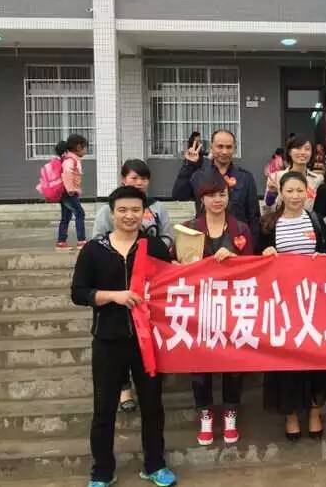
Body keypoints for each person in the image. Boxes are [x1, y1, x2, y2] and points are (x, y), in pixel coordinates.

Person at [71, 185, 177, 487]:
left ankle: (155, 465)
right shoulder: (94, 250)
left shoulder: (153, 247)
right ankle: (102, 471)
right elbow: (78, 293)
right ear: (112, 213)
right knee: (103, 409)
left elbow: (171, 283)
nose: (129, 216)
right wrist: (113, 296)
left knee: (153, 406)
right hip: (108, 340)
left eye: (135, 210)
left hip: (147, 341)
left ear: (144, 213)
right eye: (122, 210)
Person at [259, 171, 326, 441]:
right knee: (286, 361)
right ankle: (290, 414)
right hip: (282, 304)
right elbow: (257, 258)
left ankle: (315, 412)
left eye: (300, 191)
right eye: (290, 191)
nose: (295, 196)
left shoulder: (316, 220)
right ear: (281, 193)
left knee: (316, 359)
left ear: (308, 192)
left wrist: (323, 256)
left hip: (315, 302)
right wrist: (266, 254)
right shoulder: (269, 223)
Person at [92, 158, 173, 414]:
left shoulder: (158, 208)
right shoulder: (107, 211)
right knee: (121, 337)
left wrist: (151, 251)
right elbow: (98, 243)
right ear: (123, 179)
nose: (139, 182)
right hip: (116, 287)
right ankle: (124, 387)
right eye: (134, 177)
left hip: (151, 287)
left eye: (143, 178)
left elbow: (167, 237)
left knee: (144, 339)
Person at [181, 171, 253, 447]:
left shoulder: (241, 229)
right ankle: (205, 414)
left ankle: (231, 412)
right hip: (199, 307)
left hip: (233, 305)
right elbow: (176, 265)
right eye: (211, 195)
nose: (217, 199)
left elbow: (253, 267)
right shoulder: (188, 228)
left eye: (222, 194)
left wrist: (234, 260)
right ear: (202, 199)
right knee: (200, 363)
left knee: (232, 361)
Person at [172, 129, 260, 241]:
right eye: (220, 146)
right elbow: (179, 195)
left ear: (234, 149)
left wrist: (252, 246)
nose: (224, 152)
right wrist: (189, 165)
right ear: (211, 147)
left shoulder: (245, 177)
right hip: (205, 240)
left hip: (237, 241)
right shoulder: (200, 175)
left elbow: (254, 216)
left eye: (229, 147)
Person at [264, 135, 324, 213]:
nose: (302, 152)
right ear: (289, 152)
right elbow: (267, 208)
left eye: (307, 149)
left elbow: (319, 210)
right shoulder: (275, 177)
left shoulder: (317, 179)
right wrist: (272, 194)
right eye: (298, 148)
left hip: (306, 220)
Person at [55, 134, 88, 251]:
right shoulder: (71, 160)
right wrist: (70, 190)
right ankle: (81, 241)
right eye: (85, 147)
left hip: (65, 192)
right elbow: (67, 174)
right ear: (78, 147)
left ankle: (61, 242)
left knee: (66, 216)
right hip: (69, 193)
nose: (86, 150)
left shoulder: (70, 159)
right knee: (80, 213)